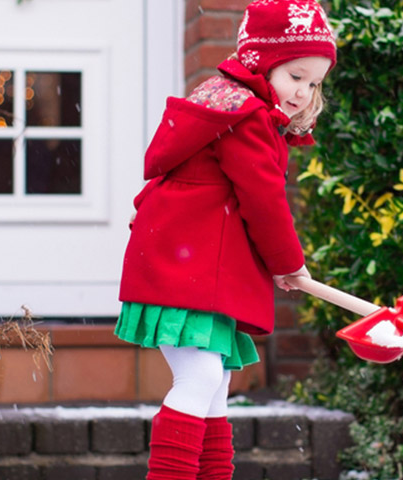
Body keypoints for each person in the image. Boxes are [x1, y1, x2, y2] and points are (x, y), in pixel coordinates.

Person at [115, 0, 336, 478]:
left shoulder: (234, 107)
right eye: (296, 75)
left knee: (216, 388)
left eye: (314, 82)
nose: (304, 92)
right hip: (184, 270)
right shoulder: (246, 116)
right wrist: (287, 262)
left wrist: (282, 264)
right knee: (202, 377)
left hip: (194, 270)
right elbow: (264, 201)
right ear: (261, 60)